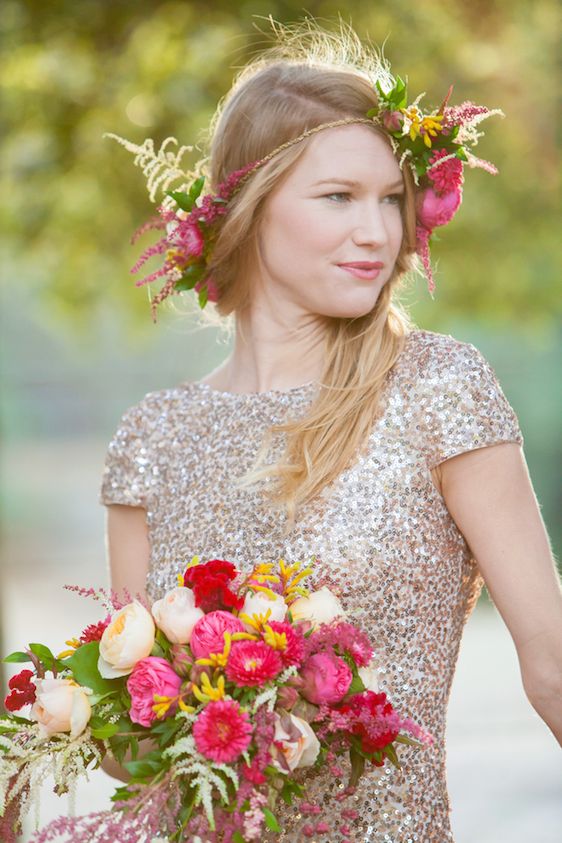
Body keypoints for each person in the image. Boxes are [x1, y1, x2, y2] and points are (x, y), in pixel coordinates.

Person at [99, 23, 562, 843]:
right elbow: (133, 740)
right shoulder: (153, 438)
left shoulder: (438, 388)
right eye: (339, 197)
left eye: (392, 199)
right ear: (251, 205)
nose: (379, 232)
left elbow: (555, 668)